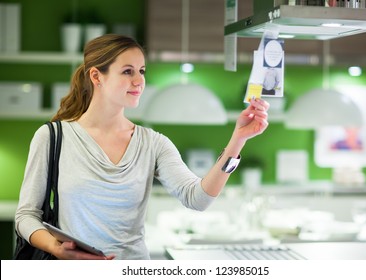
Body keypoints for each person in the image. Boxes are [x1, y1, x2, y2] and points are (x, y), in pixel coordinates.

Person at [14, 34, 270, 260]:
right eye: (128, 71)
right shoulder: (52, 137)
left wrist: (238, 140)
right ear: (96, 76)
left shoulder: (153, 143)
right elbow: (26, 215)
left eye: (142, 71)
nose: (139, 81)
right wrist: (56, 248)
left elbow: (198, 199)